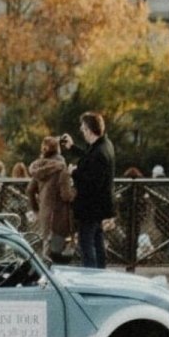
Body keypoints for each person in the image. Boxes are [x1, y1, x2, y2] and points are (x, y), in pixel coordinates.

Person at [62, 111, 115, 269]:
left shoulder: (99, 152)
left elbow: (92, 181)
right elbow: (89, 158)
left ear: (89, 130)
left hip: (90, 207)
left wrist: (74, 172)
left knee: (86, 245)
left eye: (83, 129)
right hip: (99, 207)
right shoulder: (105, 145)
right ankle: (100, 273)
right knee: (97, 243)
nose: (82, 131)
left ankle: (91, 277)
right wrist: (73, 148)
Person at [27, 136, 75, 262]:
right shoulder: (61, 168)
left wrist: (36, 209)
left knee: (46, 252)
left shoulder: (39, 167)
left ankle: (45, 278)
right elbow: (66, 195)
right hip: (58, 216)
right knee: (56, 255)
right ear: (58, 149)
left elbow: (30, 190)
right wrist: (75, 191)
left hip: (44, 214)